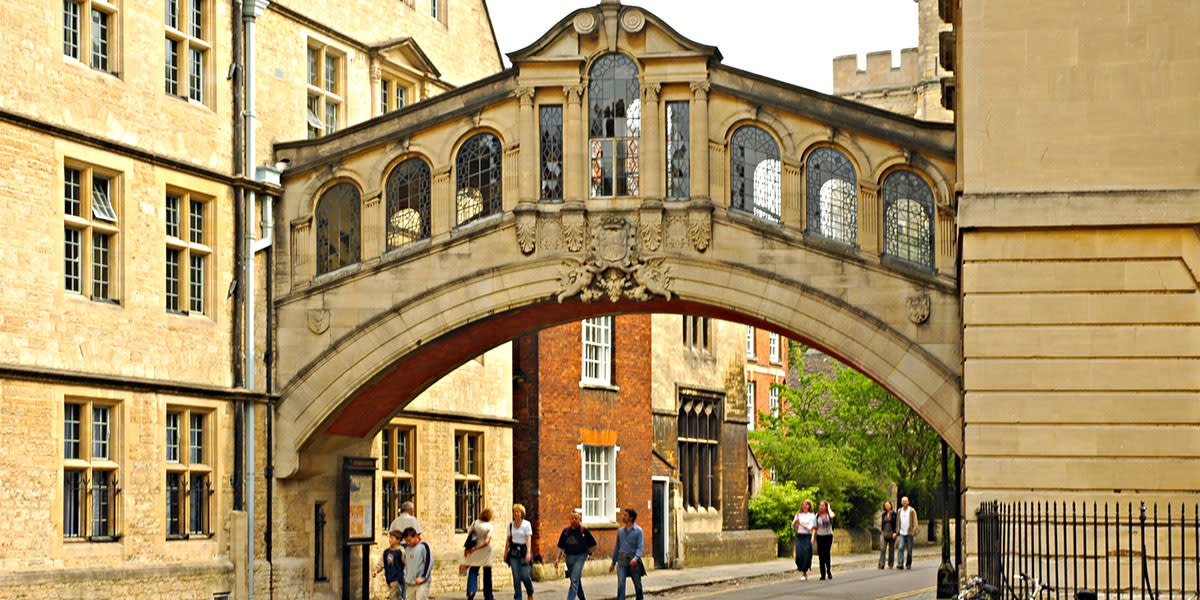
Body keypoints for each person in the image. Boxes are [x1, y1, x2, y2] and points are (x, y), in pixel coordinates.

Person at [554, 509, 597, 600]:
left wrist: (588, 554)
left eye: (576, 518)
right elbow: (561, 546)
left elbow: (594, 545)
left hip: (580, 557)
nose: (574, 520)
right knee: (575, 580)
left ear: (580, 519)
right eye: (572, 518)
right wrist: (557, 559)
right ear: (569, 519)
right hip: (569, 557)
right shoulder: (566, 532)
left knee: (574, 580)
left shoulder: (583, 531)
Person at [387, 501, 422, 599]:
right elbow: (417, 535)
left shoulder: (395, 521)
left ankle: (400, 595)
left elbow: (390, 535)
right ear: (410, 510)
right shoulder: (413, 520)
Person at [608, 508, 645, 600]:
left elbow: (640, 547)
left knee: (637, 584)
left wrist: (636, 558)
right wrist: (613, 563)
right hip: (621, 560)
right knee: (621, 584)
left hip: (633, 560)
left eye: (625, 515)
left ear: (631, 518)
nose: (623, 517)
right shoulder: (620, 531)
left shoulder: (638, 531)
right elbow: (617, 547)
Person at [504, 504, 535, 600]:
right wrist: (505, 552)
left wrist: (529, 553)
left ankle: (530, 592)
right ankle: (518, 597)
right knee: (516, 577)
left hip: (524, 551)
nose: (516, 514)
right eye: (514, 512)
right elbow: (508, 540)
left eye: (518, 512)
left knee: (525, 575)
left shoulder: (526, 524)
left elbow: (528, 539)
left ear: (522, 513)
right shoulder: (510, 525)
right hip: (514, 553)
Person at [463, 508, 495, 600]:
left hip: (474, 552)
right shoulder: (489, 526)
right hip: (485, 552)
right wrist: (478, 547)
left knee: (473, 571)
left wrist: (469, 548)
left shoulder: (475, 523)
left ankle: (471, 591)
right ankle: (488, 595)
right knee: (487, 574)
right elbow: (486, 541)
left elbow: (469, 536)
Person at [371, 530, 406, 600]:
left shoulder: (401, 552)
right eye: (390, 538)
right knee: (396, 595)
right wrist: (376, 571)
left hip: (397, 578)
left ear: (398, 540)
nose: (390, 540)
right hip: (389, 577)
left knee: (393, 596)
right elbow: (382, 562)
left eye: (392, 538)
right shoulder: (386, 551)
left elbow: (407, 564)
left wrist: (406, 574)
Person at [402, 527, 433, 600]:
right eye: (406, 541)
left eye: (409, 540)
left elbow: (429, 563)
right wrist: (404, 574)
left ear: (416, 536)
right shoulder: (407, 549)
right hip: (409, 582)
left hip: (421, 583)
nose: (408, 543)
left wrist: (423, 577)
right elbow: (406, 563)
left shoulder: (424, 546)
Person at [791, 499, 816, 580]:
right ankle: (800, 567)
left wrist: (800, 523)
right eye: (803, 505)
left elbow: (809, 528)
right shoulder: (798, 515)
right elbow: (794, 527)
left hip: (807, 536)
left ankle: (804, 572)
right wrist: (795, 523)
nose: (804, 506)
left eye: (806, 505)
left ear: (809, 506)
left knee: (806, 555)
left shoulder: (811, 515)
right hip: (800, 536)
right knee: (798, 554)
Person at [814, 500, 836, 580]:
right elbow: (815, 527)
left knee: (826, 553)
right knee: (821, 555)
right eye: (820, 505)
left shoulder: (829, 515)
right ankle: (822, 573)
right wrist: (813, 536)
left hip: (828, 536)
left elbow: (833, 516)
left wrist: (829, 508)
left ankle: (829, 571)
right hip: (820, 536)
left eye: (823, 505)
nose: (821, 507)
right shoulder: (817, 515)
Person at [896, 496, 920, 570]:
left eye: (905, 501)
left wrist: (914, 531)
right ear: (901, 502)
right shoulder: (900, 511)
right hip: (902, 532)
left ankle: (908, 563)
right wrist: (897, 531)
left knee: (909, 549)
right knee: (900, 547)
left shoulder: (912, 511)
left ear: (908, 502)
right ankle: (900, 563)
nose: (904, 502)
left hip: (909, 533)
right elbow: (898, 521)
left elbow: (915, 522)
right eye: (903, 501)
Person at [878, 500, 898, 569]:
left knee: (891, 549)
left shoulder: (895, 514)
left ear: (891, 505)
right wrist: (881, 532)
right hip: (884, 532)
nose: (887, 506)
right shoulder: (884, 514)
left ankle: (890, 564)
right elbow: (882, 524)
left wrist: (895, 532)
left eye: (888, 505)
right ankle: (881, 563)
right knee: (882, 548)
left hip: (891, 533)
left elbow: (896, 524)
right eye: (885, 505)